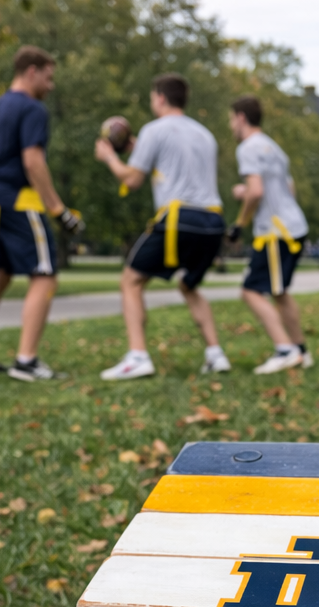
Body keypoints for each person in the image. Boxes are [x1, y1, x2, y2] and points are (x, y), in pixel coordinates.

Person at [94, 73, 230, 379]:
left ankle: (137, 356)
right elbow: (177, 166)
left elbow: (133, 179)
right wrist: (139, 149)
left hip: (179, 218)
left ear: (160, 98)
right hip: (212, 222)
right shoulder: (204, 135)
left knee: (131, 281)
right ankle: (216, 354)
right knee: (189, 285)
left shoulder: (154, 130)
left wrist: (109, 157)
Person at [0, 45, 83, 381]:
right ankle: (26, 361)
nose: (51, 86)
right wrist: (59, 211)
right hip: (16, 200)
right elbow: (33, 162)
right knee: (44, 276)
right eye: (48, 77)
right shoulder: (33, 109)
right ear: (32, 71)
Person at [228, 96, 312, 374]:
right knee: (280, 292)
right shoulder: (274, 148)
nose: (231, 126)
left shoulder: (248, 147)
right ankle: (300, 351)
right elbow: (289, 188)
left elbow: (256, 191)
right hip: (293, 226)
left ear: (241, 118)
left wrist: (240, 223)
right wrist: (248, 191)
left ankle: (284, 350)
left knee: (250, 291)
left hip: (275, 232)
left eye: (231, 119)